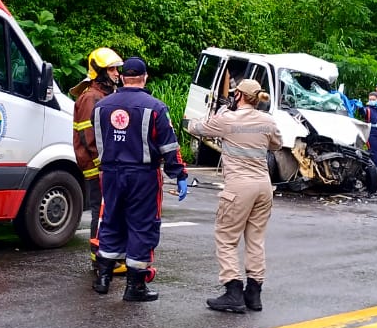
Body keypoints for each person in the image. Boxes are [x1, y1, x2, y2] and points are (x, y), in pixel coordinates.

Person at [92, 57, 189, 302]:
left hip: (111, 173)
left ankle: (103, 277)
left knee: (111, 220)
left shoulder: (102, 106)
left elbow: (96, 141)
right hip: (142, 175)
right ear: (144, 77)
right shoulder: (155, 108)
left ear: (123, 77)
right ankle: (135, 286)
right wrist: (179, 174)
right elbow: (169, 145)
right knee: (142, 225)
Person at [187, 78, 282, 313]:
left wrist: (218, 112)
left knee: (227, 238)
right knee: (255, 239)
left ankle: (233, 290)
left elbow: (195, 128)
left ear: (238, 96)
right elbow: (276, 145)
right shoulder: (267, 121)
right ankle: (254, 293)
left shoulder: (227, 119)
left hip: (239, 187)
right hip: (263, 186)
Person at [69, 47, 125, 269]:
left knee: (108, 210)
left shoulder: (104, 95)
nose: (116, 73)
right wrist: (103, 164)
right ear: (99, 71)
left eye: (116, 69)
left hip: (105, 166)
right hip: (96, 167)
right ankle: (99, 258)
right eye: (111, 69)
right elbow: (87, 135)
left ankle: (107, 256)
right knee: (100, 211)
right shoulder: (90, 98)